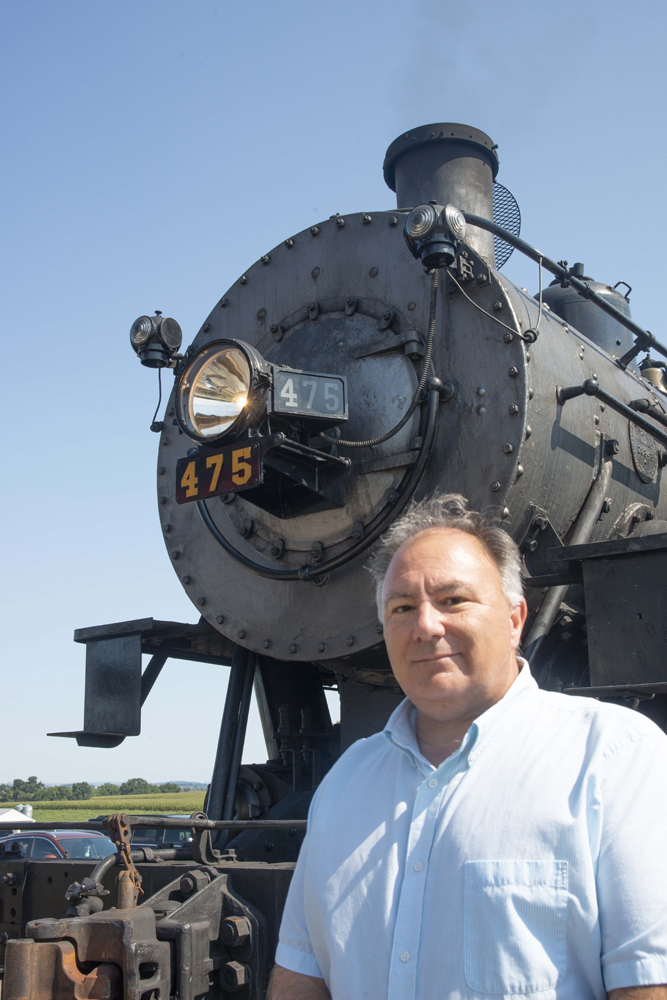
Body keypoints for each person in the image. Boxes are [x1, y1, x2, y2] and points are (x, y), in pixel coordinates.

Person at [269, 494, 667, 1000]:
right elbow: (301, 975)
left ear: (514, 618)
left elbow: (649, 984)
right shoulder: (346, 779)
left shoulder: (616, 756)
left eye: (453, 600)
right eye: (402, 608)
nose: (426, 627)